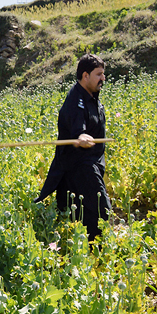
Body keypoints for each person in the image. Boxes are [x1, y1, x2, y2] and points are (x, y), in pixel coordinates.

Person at [34, 53, 112, 241]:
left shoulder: (91, 95)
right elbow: (78, 127)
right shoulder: (76, 100)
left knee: (80, 212)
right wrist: (81, 136)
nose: (103, 78)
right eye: (99, 74)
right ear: (85, 76)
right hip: (81, 166)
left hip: (88, 164)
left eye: (103, 74)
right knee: (102, 209)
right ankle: (97, 250)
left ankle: (86, 250)